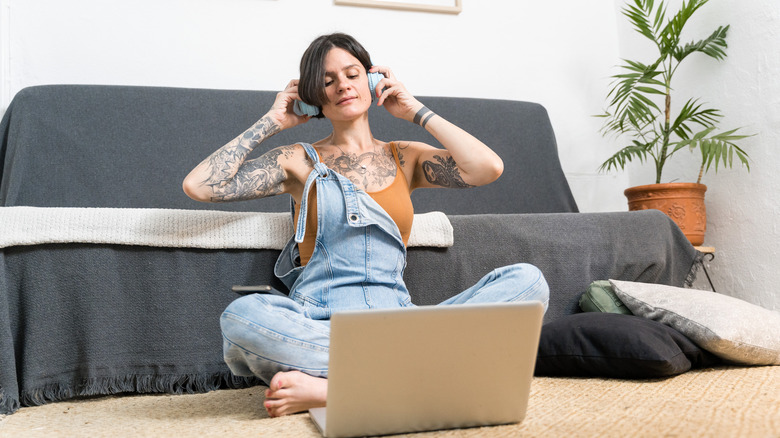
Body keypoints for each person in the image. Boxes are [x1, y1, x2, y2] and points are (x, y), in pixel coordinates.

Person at [182, 32, 549, 418]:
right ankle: (420, 376)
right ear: (314, 97)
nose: (342, 84)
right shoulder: (297, 160)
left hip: (400, 321)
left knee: (528, 282)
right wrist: (272, 121)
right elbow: (201, 186)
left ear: (373, 82)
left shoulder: (404, 157)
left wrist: (415, 111)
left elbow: (487, 168)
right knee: (242, 316)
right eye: (327, 81)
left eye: (352, 74)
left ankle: (337, 388)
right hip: (320, 322)